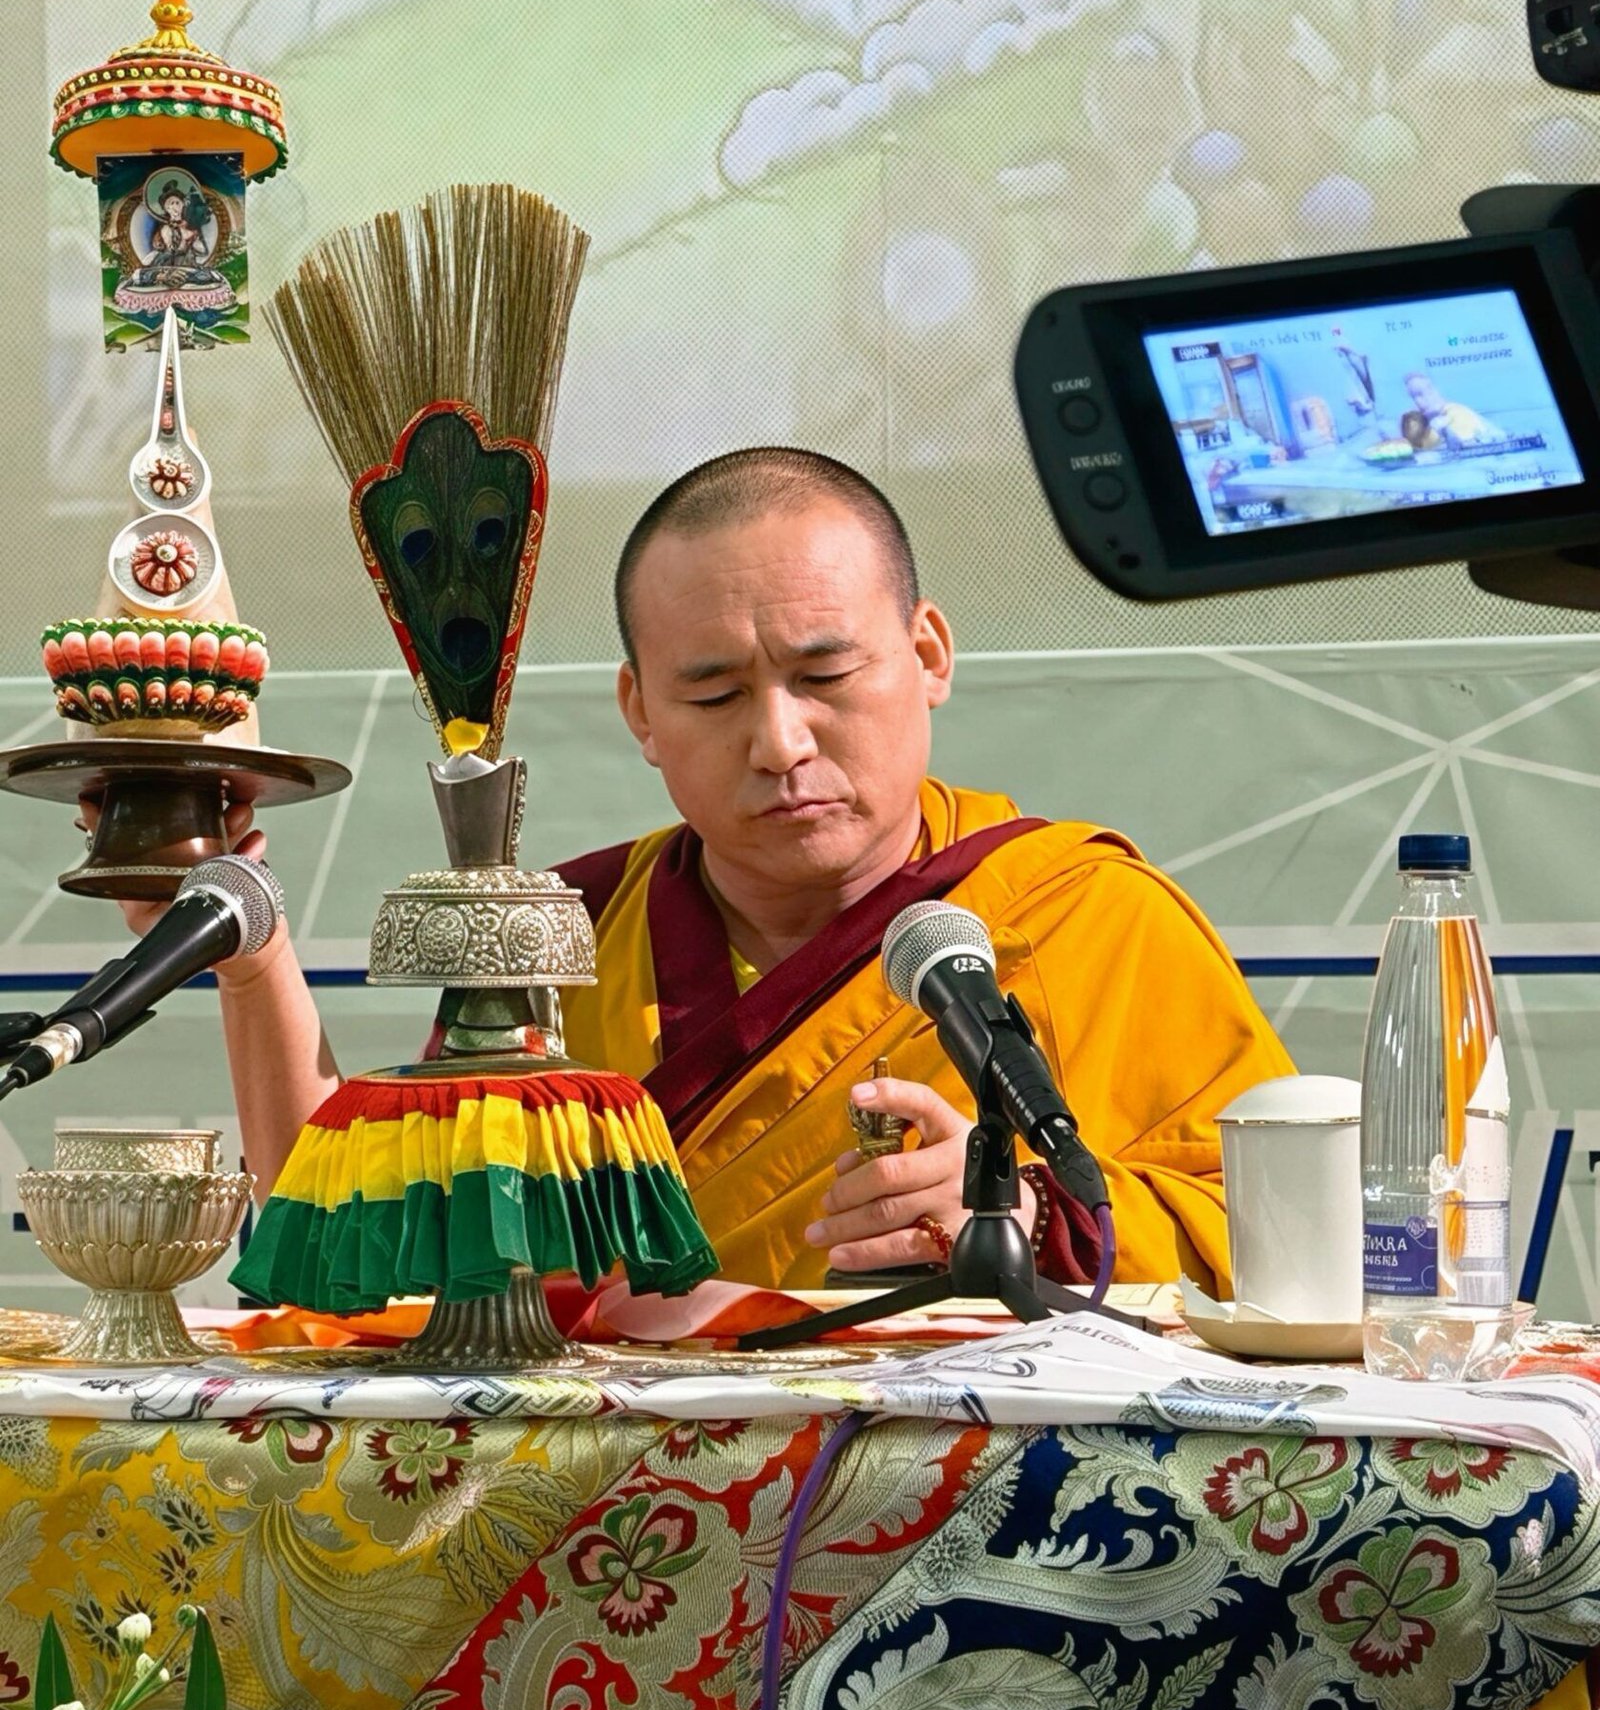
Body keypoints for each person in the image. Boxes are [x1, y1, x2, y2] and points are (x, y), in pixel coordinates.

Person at [163, 447, 1291, 1295]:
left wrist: (1033, 1213)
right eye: (713, 694)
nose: (780, 743)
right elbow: (366, 1253)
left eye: (826, 676)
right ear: (639, 712)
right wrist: (253, 960)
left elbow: (1291, 1241)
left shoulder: (1085, 915)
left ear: (928, 655)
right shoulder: (558, 936)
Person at [1402, 371, 1507, 451]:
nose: (1418, 402)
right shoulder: (1428, 424)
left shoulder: (1457, 414)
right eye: (1413, 397)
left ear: (1435, 391)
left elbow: (1464, 446)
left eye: (1420, 394)